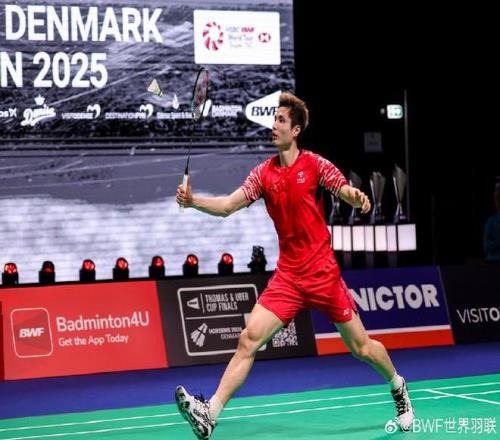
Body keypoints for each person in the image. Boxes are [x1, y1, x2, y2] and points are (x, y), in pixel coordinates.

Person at [175, 92, 414, 439]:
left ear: (296, 130)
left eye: (281, 121)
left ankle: (398, 386)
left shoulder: (314, 165)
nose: (273, 126)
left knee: (362, 349)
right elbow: (228, 206)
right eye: (274, 119)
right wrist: (193, 201)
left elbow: (341, 188)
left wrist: (356, 197)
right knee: (248, 339)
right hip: (288, 277)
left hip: (323, 274)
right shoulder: (263, 174)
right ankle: (209, 413)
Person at [483, 185, 500, 262]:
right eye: (496, 198)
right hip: (492, 262)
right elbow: (486, 247)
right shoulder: (491, 221)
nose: (498, 201)